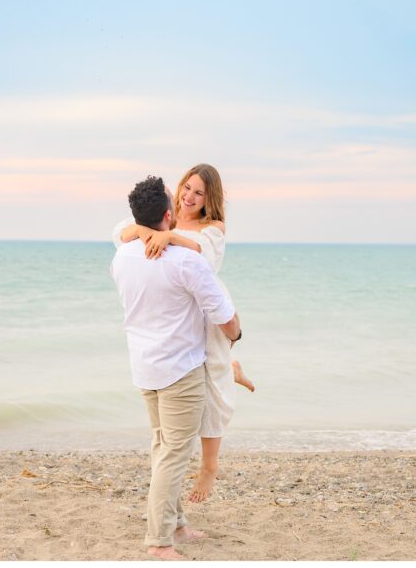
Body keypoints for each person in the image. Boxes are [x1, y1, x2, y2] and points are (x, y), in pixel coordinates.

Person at [110, 175, 242, 560]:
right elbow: (223, 315)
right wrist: (235, 335)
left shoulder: (122, 256)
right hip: (180, 373)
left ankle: (177, 524)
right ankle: (159, 541)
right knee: (174, 454)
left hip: (145, 369)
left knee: (161, 446)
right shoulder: (187, 260)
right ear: (170, 214)